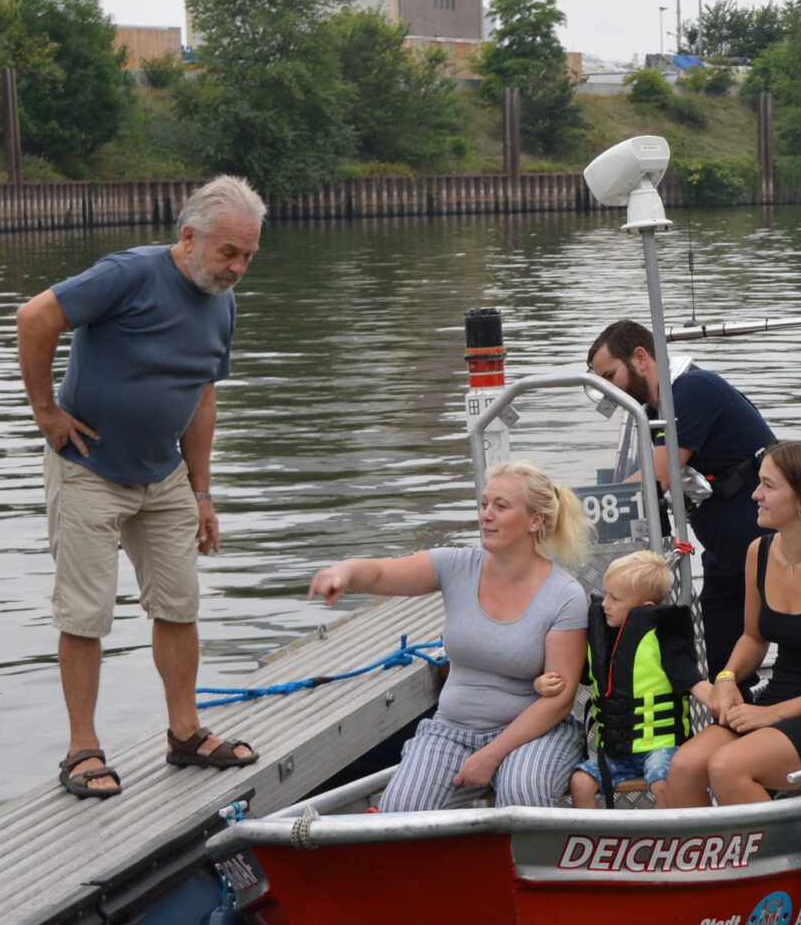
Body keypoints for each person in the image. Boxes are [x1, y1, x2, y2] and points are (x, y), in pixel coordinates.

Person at [17, 176, 268, 802]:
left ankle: (185, 734)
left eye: (248, 256)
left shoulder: (223, 302)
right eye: (228, 253)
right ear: (190, 237)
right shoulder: (128, 275)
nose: (237, 268)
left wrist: (202, 493)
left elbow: (203, 397)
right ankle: (82, 749)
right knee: (86, 613)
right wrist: (46, 412)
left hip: (164, 475)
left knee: (180, 604)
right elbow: (35, 316)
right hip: (88, 467)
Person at [308, 461, 589, 810]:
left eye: (501, 506)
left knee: (522, 793)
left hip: (535, 734)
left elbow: (560, 699)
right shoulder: (455, 565)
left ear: (535, 521)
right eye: (484, 504)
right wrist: (343, 573)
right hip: (452, 729)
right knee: (400, 811)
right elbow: (381, 573)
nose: (486, 515)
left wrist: (491, 755)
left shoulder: (565, 595)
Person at [665, 442, 801, 808]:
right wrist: (727, 678)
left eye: (768, 486)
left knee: (727, 767)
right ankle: (711, 849)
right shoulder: (759, 553)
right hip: (778, 699)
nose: (755, 495)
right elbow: (753, 637)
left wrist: (771, 714)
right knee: (684, 768)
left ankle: (782, 846)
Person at [587, 318, 775, 665]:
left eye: (610, 377)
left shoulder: (693, 390)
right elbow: (636, 480)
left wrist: (584, 508)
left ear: (640, 357)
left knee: (782, 647)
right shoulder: (653, 412)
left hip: (769, 549)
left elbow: (655, 479)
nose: (609, 392)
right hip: (725, 556)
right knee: (716, 661)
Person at [537, 550, 704, 808]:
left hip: (662, 747)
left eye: (615, 599)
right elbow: (568, 674)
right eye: (606, 594)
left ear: (645, 607)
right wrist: (541, 683)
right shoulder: (599, 637)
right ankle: (596, 832)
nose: (605, 604)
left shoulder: (664, 639)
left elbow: (693, 681)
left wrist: (719, 699)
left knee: (662, 782)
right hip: (617, 753)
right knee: (580, 781)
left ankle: (672, 832)